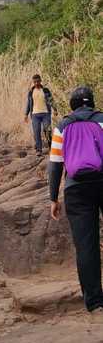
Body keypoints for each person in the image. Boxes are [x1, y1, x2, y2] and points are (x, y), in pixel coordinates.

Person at [49, 86, 103, 320]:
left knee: (86, 246)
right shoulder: (102, 120)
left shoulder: (62, 126)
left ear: (72, 105)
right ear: (91, 103)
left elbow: (55, 164)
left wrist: (53, 197)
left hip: (76, 189)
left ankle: (94, 303)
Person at [24, 74, 57, 156]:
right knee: (36, 132)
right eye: (34, 82)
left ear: (40, 81)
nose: (36, 83)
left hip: (45, 113)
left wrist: (55, 109)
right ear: (33, 82)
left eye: (38, 81)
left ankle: (51, 148)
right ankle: (39, 150)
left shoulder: (45, 90)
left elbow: (51, 100)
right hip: (35, 115)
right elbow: (29, 104)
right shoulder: (31, 92)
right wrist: (26, 114)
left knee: (48, 131)